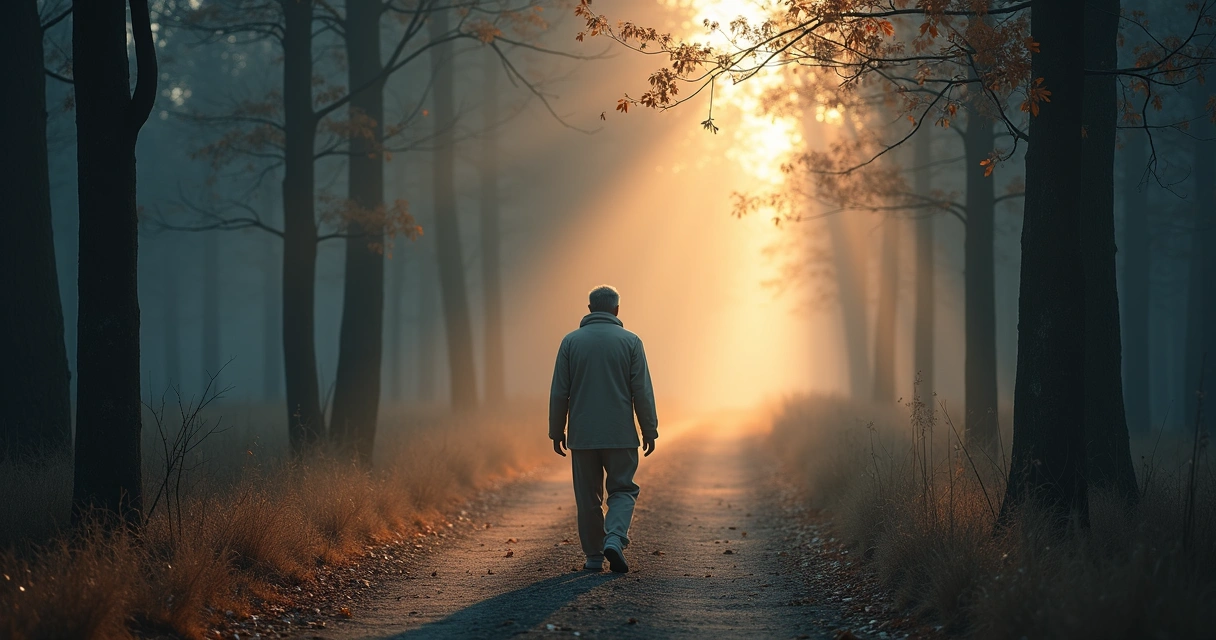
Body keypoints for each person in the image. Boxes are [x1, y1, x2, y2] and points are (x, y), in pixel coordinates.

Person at [549, 285, 658, 574]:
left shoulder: (570, 342)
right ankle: (614, 538)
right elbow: (641, 391)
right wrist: (649, 428)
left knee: (588, 496)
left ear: (589, 309)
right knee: (622, 489)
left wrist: (556, 430)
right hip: (621, 433)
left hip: (582, 435)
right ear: (617, 310)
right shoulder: (631, 342)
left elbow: (560, 392)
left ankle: (594, 557)